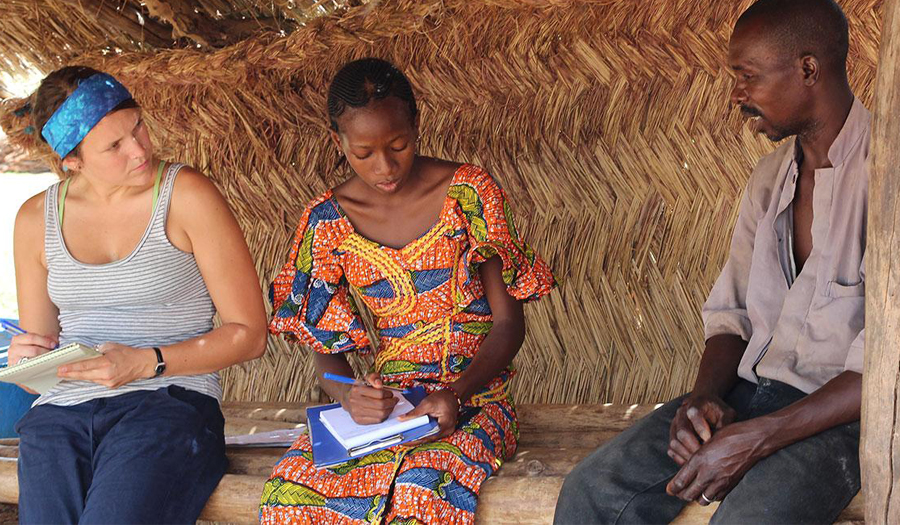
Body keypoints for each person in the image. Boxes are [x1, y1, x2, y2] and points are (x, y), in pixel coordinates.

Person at [554, 0, 866, 523]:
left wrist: (759, 439)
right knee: (593, 490)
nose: (737, 94)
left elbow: (886, 369)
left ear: (808, 69)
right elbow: (732, 318)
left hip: (842, 420)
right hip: (752, 394)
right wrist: (700, 401)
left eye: (748, 76)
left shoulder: (888, 181)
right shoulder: (770, 180)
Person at [259, 58, 555, 524]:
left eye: (398, 144)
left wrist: (456, 394)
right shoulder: (325, 222)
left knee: (421, 493)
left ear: (417, 125)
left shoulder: (469, 194)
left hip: (475, 401)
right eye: (363, 153)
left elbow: (508, 322)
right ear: (338, 141)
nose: (385, 166)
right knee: (290, 495)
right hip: (386, 411)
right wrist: (347, 396)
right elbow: (324, 352)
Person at [1, 66, 268, 523]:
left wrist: (146, 361)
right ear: (72, 160)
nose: (140, 149)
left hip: (168, 406)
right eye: (114, 146)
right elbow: (40, 361)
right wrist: (26, 364)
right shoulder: (34, 220)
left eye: (138, 126)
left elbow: (250, 334)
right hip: (60, 416)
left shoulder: (186, 195)